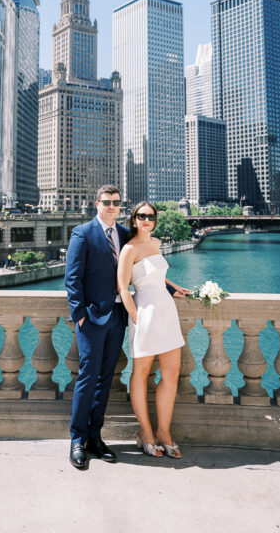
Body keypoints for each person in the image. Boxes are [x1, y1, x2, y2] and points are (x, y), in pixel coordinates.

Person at [116, 201, 190, 458]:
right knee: (141, 373)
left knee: (171, 375)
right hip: (144, 312)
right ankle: (146, 433)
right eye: (142, 216)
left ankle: (164, 433)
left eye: (151, 216)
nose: (147, 219)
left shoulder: (156, 243)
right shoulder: (129, 249)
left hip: (167, 311)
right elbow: (124, 288)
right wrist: (136, 318)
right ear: (134, 220)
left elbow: (158, 274)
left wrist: (175, 287)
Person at [64, 184, 129, 470]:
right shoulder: (83, 233)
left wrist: (170, 287)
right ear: (97, 204)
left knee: (105, 379)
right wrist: (79, 316)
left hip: (118, 316)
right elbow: (72, 278)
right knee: (87, 378)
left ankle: (95, 437)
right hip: (91, 318)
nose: (112, 206)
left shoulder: (126, 235)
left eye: (116, 202)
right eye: (107, 202)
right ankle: (77, 440)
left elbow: (140, 271)